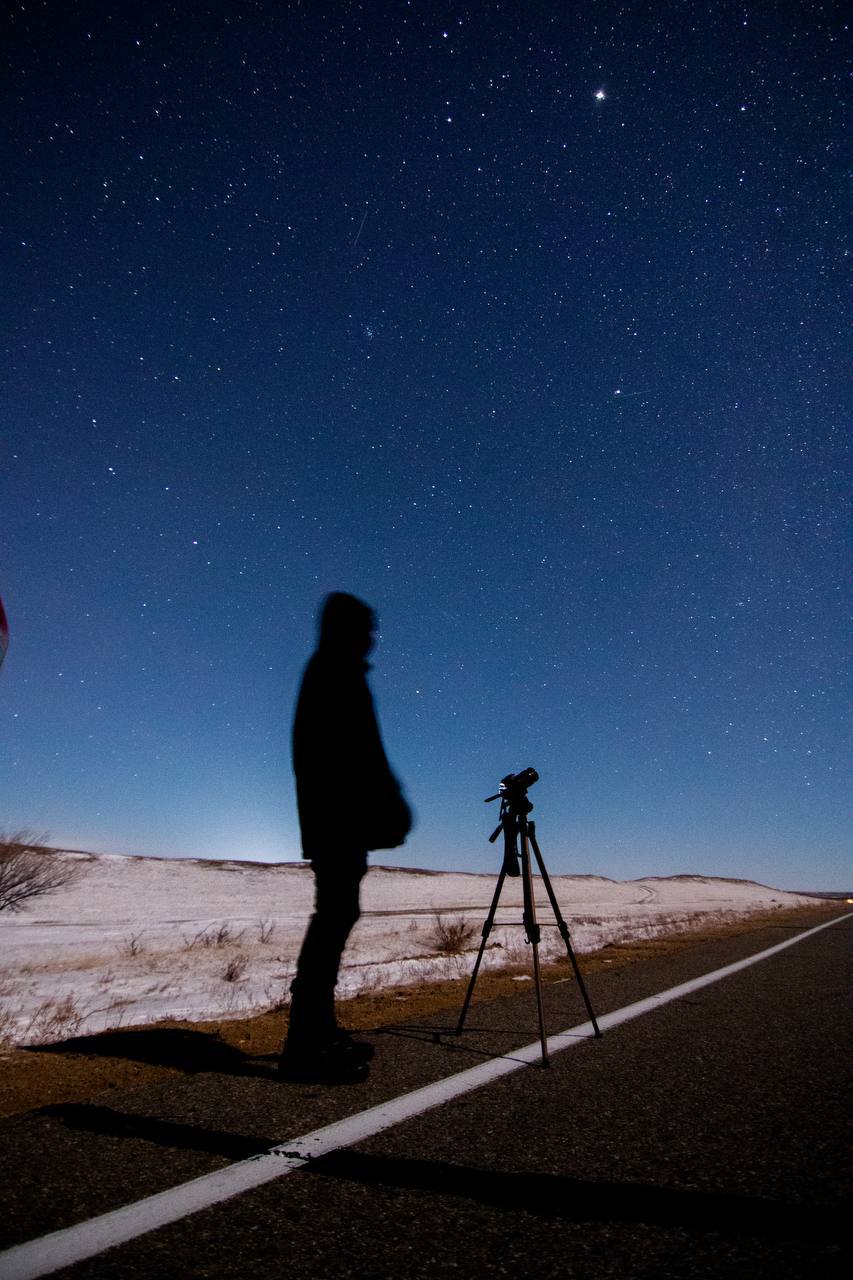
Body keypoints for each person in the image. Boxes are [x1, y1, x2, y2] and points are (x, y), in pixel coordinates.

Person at [280, 592, 412, 1082]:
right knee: (333, 920)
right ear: (348, 630)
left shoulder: (334, 669)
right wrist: (385, 803)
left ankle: (319, 1031)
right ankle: (305, 1045)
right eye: (365, 628)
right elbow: (353, 753)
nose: (373, 638)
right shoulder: (335, 671)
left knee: (336, 917)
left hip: (336, 818)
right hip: (337, 820)